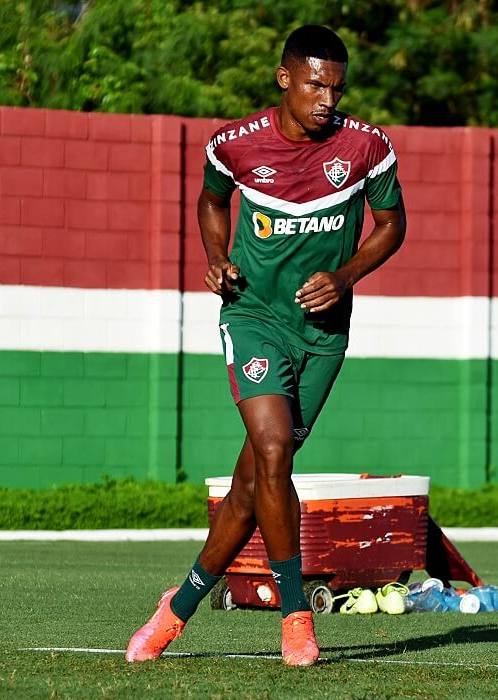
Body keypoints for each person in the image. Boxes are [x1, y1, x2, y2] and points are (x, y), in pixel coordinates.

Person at [126, 25, 406, 666]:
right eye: (315, 85)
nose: (327, 99)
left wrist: (343, 277)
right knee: (275, 449)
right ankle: (296, 617)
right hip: (252, 316)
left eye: (337, 87)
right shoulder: (235, 144)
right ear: (285, 80)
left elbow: (392, 226)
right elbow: (210, 201)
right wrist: (217, 258)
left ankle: (177, 610)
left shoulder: (368, 148)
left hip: (324, 333)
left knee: (254, 482)